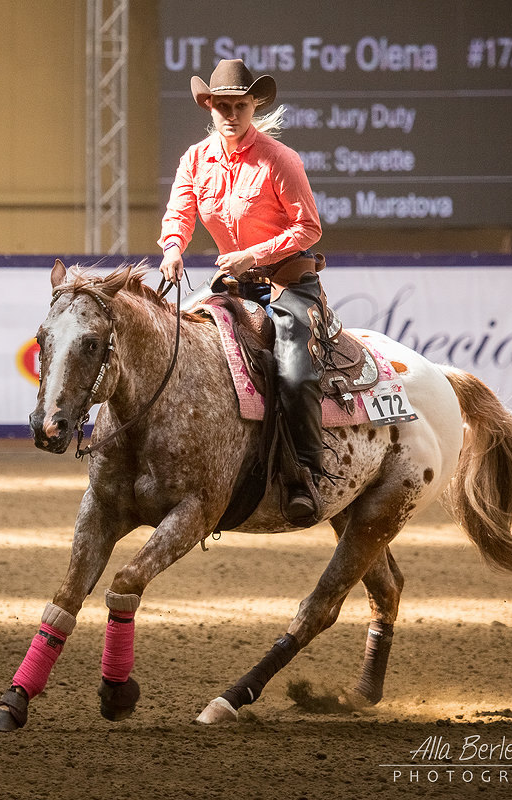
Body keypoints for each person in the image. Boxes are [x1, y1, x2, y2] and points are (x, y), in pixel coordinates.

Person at [158, 58, 327, 524]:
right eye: (222, 106)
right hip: (235, 285)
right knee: (187, 349)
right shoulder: (195, 159)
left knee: (294, 366)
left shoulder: (280, 160)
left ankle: (303, 474)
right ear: (209, 107)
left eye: (240, 106)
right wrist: (173, 248)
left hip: (289, 281)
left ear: (254, 105)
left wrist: (255, 254)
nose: (231, 115)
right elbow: (180, 213)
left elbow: (308, 227)